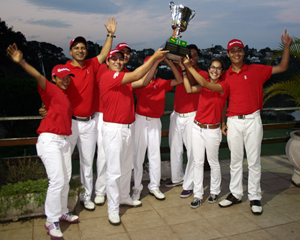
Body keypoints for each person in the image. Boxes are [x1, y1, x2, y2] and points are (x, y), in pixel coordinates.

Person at [185, 29, 292, 215]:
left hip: (252, 120)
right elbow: (216, 92)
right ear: (228, 54)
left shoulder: (257, 70)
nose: (236, 53)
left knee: (253, 160)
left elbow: (282, 68)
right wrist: (225, 121)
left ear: (244, 52)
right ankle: (235, 194)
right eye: (233, 51)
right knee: (235, 161)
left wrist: (287, 47)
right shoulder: (225, 75)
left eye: (239, 50)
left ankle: (255, 196)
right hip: (234, 121)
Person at [6, 43, 79, 238]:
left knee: (65, 180)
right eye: (61, 77)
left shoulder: (63, 96)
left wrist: (44, 109)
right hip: (50, 140)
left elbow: (50, 108)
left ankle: (62, 211)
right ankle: (51, 220)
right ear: (54, 78)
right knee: (56, 181)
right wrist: (22, 62)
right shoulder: (50, 89)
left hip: (63, 141)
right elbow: (38, 76)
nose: (65, 80)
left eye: (68, 77)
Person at [99, 48, 168, 225]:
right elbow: (137, 73)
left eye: (120, 59)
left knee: (126, 166)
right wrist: (153, 57)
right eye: (113, 59)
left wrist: (155, 63)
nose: (117, 62)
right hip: (114, 129)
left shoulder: (123, 80)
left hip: (128, 128)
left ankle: (123, 197)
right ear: (107, 62)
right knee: (114, 171)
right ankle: (113, 208)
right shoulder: (108, 77)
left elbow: (143, 81)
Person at [64, 18, 117, 211]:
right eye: (76, 48)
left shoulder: (91, 65)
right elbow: (54, 91)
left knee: (87, 163)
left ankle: (86, 197)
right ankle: (64, 199)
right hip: (69, 124)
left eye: (83, 48)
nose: (80, 50)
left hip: (89, 123)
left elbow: (104, 54)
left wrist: (110, 35)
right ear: (70, 51)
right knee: (65, 163)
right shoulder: (64, 70)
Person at [131, 56, 183, 201]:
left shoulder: (161, 82)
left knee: (154, 155)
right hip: (140, 121)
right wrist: (154, 62)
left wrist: (168, 62)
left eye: (154, 66)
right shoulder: (140, 82)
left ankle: (154, 186)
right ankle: (137, 187)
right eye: (149, 65)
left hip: (155, 122)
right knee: (138, 156)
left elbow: (179, 80)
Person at [182, 57, 227, 208]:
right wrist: (184, 71)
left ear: (222, 72)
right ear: (208, 70)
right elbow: (189, 89)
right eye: (212, 67)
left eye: (218, 68)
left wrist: (189, 66)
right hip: (197, 127)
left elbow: (204, 83)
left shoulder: (223, 86)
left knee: (213, 162)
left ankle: (214, 191)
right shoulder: (204, 86)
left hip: (212, 131)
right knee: (198, 162)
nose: (215, 70)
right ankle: (198, 195)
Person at [166, 44, 209, 198]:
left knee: (192, 152)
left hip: (192, 115)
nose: (192, 58)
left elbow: (190, 83)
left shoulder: (202, 73)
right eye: (188, 55)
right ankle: (177, 177)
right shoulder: (180, 69)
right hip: (176, 114)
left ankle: (189, 184)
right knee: (175, 149)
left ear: (198, 57)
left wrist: (185, 67)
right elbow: (168, 55)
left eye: (194, 55)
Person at [93, 42, 132, 206]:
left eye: (126, 54)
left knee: (122, 161)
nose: (123, 57)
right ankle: (100, 191)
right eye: (120, 53)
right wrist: (110, 35)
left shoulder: (127, 73)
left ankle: (121, 195)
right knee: (103, 157)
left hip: (122, 120)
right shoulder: (104, 69)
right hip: (105, 117)